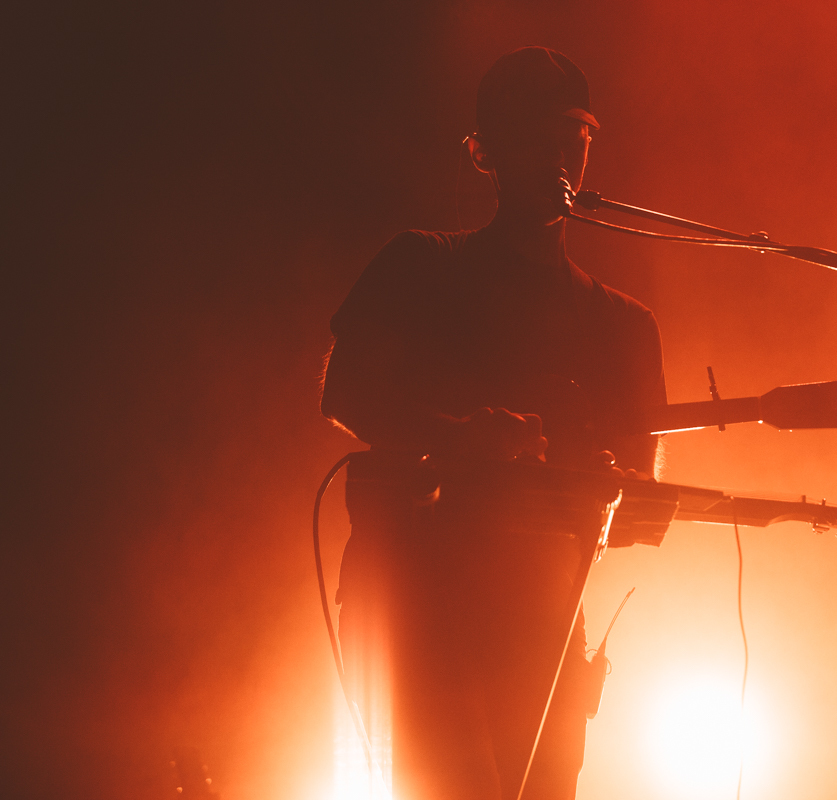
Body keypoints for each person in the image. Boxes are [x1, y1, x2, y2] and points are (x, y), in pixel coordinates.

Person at [319, 47, 667, 800]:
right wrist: (459, 434)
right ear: (484, 153)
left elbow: (643, 508)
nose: (558, 154)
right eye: (535, 135)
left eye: (572, 134)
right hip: (418, 607)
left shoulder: (623, 327)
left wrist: (610, 486)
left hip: (545, 625)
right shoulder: (420, 267)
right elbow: (345, 392)